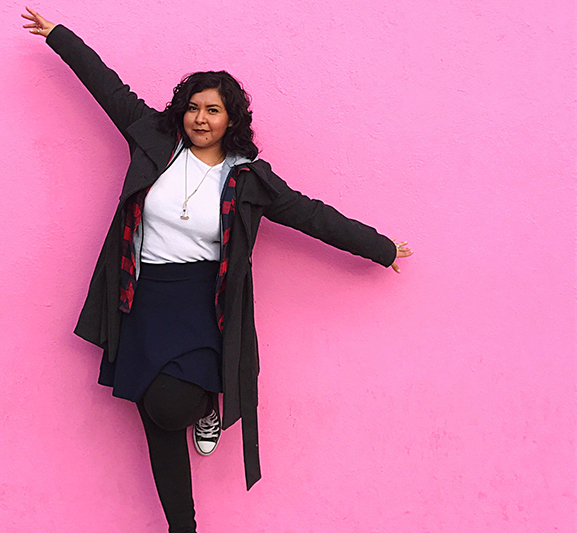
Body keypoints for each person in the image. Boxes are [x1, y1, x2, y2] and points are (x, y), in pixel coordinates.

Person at [22, 7, 413, 533]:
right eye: (192, 108)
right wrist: (59, 37)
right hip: (143, 293)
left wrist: (380, 247)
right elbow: (107, 87)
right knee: (151, 411)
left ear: (232, 120)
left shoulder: (245, 177)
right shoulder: (156, 142)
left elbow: (309, 214)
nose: (200, 119)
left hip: (203, 300)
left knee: (170, 402)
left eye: (213, 110)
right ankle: (182, 527)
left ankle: (206, 399)